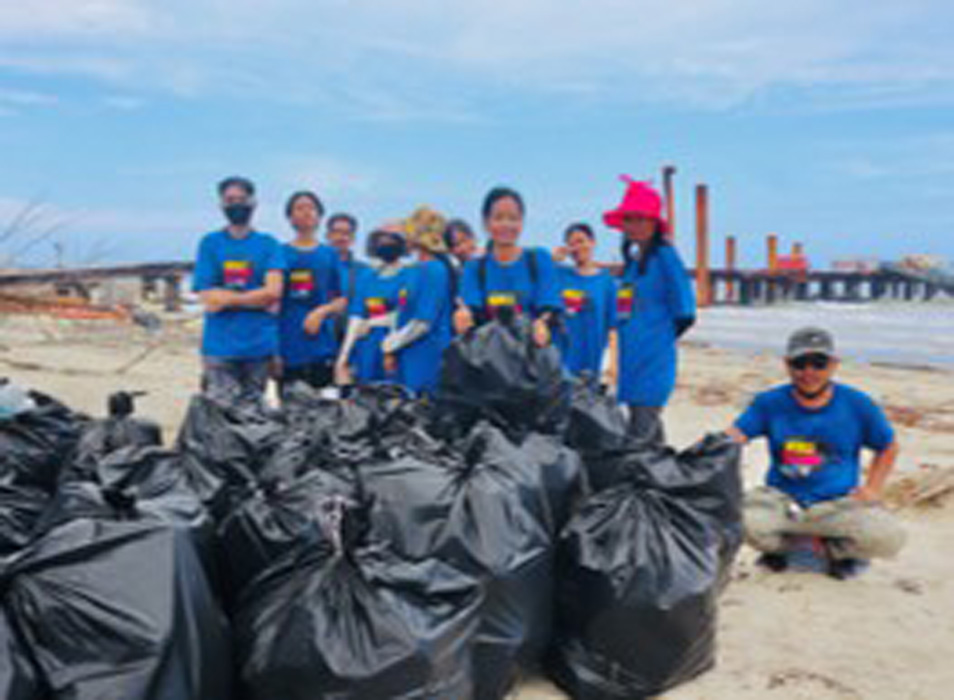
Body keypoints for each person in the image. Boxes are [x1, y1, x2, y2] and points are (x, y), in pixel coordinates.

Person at [726, 327, 905, 579]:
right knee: (736, 521)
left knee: (889, 537)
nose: (809, 372)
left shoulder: (859, 404)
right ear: (787, 365)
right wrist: (715, 446)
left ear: (833, 365)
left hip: (838, 504)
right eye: (800, 364)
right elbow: (735, 436)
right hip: (782, 502)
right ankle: (783, 550)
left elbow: (888, 446)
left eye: (818, 363)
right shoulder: (768, 402)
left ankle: (834, 552)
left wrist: (873, 489)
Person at [604, 176, 695, 442]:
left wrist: (659, 337)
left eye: (641, 219)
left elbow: (686, 309)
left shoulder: (665, 255)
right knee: (647, 430)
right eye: (629, 219)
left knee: (639, 431)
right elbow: (622, 309)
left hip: (654, 359)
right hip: (631, 357)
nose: (634, 226)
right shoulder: (633, 263)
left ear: (654, 223)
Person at [192, 176, 285, 406]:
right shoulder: (210, 244)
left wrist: (227, 299)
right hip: (219, 347)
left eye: (241, 199)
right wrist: (255, 298)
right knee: (220, 412)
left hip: (258, 346)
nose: (236, 204)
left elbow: (273, 292)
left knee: (253, 413)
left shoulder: (268, 244)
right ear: (221, 204)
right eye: (230, 200)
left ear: (253, 203)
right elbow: (208, 298)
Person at [455, 187, 561, 347]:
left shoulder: (539, 259)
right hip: (488, 356)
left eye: (513, 218)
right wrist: (463, 316)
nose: (506, 224)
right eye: (498, 218)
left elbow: (549, 307)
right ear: (486, 223)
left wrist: (542, 324)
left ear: (522, 221)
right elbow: (470, 310)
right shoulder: (474, 268)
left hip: (530, 355)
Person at [276, 191, 346, 395]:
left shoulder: (330, 254)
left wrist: (321, 312)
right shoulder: (279, 253)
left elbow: (342, 299)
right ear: (290, 217)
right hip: (287, 345)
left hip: (322, 345)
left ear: (319, 216)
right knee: (291, 406)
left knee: (323, 406)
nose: (306, 212)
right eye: (299, 208)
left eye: (311, 208)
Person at [382, 207, 456, 395]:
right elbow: (400, 310)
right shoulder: (412, 270)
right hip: (406, 354)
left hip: (427, 355)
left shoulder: (435, 270)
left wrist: (390, 344)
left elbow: (423, 322)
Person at [334, 227, 408, 386]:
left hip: (396, 347)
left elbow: (403, 314)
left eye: (391, 240)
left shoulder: (409, 275)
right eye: (381, 241)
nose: (386, 244)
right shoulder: (367, 276)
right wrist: (343, 358)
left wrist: (390, 348)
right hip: (367, 348)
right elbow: (356, 318)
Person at [555, 223, 619, 382]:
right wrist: (552, 259)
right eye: (571, 244)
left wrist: (613, 363)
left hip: (593, 362)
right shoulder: (560, 275)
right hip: (562, 363)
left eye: (581, 241)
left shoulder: (607, 282)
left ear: (592, 242)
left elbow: (613, 327)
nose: (577, 248)